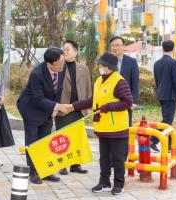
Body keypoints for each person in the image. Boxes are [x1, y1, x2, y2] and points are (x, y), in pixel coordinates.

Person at [68, 52, 132, 195]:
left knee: (117, 158)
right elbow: (92, 101)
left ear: (109, 66)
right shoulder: (99, 80)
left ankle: (119, 184)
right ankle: (104, 182)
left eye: (101, 65)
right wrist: (73, 106)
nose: (99, 67)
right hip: (103, 127)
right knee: (104, 158)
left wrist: (109, 106)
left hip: (117, 128)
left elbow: (127, 102)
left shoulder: (119, 81)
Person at [17, 47, 70, 184]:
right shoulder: (37, 74)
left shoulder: (61, 69)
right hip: (31, 108)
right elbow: (37, 98)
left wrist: (54, 108)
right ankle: (33, 173)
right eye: (59, 63)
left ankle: (44, 171)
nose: (62, 65)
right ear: (49, 64)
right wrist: (57, 106)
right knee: (33, 142)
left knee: (45, 140)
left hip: (47, 108)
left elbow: (57, 90)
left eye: (63, 61)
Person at [55, 40, 92, 175]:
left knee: (77, 138)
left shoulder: (83, 68)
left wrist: (88, 105)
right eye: (63, 49)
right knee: (63, 138)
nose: (64, 52)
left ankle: (76, 165)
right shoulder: (58, 67)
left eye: (68, 49)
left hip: (79, 107)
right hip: (63, 107)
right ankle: (62, 165)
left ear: (76, 52)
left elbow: (88, 87)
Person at [150, 40, 176, 152]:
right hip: (170, 95)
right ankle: (153, 140)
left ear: (162, 48)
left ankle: (169, 145)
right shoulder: (174, 63)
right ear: (173, 49)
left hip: (161, 94)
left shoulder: (157, 63)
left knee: (167, 119)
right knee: (167, 120)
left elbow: (157, 80)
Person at [110, 36, 139, 126]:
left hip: (126, 101)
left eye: (118, 45)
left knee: (125, 128)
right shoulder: (106, 61)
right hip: (109, 101)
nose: (115, 48)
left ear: (123, 46)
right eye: (113, 45)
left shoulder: (132, 62)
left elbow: (135, 84)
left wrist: (133, 101)